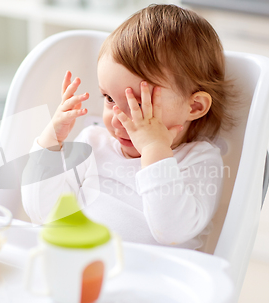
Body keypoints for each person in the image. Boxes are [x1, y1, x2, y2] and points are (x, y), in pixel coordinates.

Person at [21, 4, 234, 249]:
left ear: (194, 106)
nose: (118, 118)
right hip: (79, 265)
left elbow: (171, 231)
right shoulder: (93, 142)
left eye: (139, 105)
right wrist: (50, 145)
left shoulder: (198, 161)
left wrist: (154, 149)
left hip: (151, 280)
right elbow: (41, 212)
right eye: (110, 99)